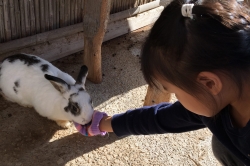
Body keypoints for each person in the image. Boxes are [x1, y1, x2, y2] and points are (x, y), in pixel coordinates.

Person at [74, 0, 250, 165]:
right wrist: (103, 123)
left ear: (210, 84)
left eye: (175, 92)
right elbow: (164, 118)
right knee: (222, 145)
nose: (176, 99)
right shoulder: (218, 95)